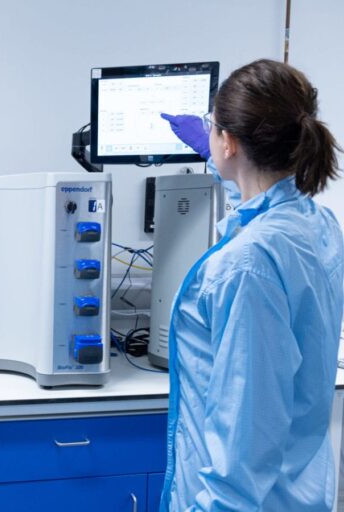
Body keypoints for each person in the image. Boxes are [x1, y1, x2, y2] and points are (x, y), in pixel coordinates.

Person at [159, 59, 344, 511]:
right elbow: (255, 200)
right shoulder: (316, 225)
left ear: (231, 141)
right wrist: (213, 154)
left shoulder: (246, 266)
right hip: (295, 490)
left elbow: (244, 442)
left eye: (212, 128)